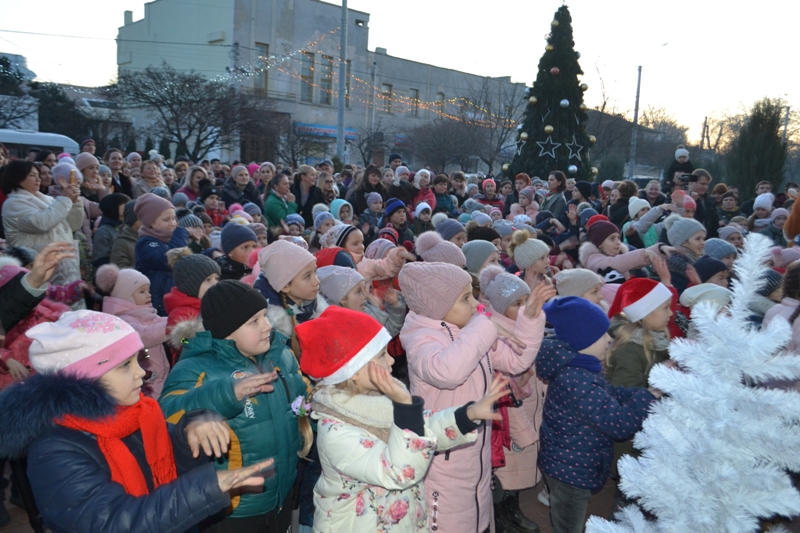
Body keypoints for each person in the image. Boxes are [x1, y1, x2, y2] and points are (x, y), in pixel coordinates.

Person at [0, 309, 273, 533]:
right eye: (124, 365)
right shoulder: (54, 451)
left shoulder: (138, 413)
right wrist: (205, 489)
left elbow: (172, 458)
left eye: (137, 360)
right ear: (83, 378)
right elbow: (112, 523)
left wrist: (192, 429)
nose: (142, 373)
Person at [296, 306, 506, 533]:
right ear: (354, 370)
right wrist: (405, 406)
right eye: (381, 355)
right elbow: (399, 471)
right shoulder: (336, 432)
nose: (392, 361)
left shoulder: (374, 401)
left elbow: (422, 427)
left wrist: (467, 415)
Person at [398, 261, 555, 532]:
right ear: (438, 306)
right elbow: (447, 371)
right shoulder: (421, 339)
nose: (475, 304)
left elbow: (516, 361)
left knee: (478, 516)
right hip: (442, 459)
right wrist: (486, 326)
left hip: (476, 454)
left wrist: (529, 318)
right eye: (465, 298)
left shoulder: (469, 329)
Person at [160, 279, 307, 533]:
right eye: (254, 321)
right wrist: (226, 393)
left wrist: (315, 409)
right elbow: (167, 414)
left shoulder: (280, 354)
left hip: (281, 494)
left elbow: (299, 399)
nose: (267, 325)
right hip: (233, 511)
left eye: (265, 316)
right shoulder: (197, 367)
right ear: (226, 331)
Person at [536, 297, 660, 533]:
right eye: (602, 335)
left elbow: (610, 393)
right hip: (569, 471)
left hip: (570, 463)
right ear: (582, 340)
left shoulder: (581, 368)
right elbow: (618, 424)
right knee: (568, 525)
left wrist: (643, 393)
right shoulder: (577, 379)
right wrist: (648, 398)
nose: (609, 339)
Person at [479, 266, 546, 532]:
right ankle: (502, 515)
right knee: (505, 470)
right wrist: (518, 386)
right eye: (515, 304)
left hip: (529, 410)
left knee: (520, 466)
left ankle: (512, 509)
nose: (522, 308)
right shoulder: (497, 336)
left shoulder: (527, 325)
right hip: (508, 418)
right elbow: (501, 379)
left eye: (524, 302)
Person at [1, 160, 84, 287]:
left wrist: (75, 201)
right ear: (17, 178)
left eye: (38, 175)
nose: (38, 179)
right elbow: (42, 224)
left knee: (69, 301)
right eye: (32, 175)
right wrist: (66, 198)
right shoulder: (13, 203)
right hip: (38, 267)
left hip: (64, 264)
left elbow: (73, 224)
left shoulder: (49, 200)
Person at [96, 264, 170, 398]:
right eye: (142, 292)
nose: (149, 295)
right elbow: (146, 336)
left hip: (158, 377)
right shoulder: (122, 320)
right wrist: (174, 324)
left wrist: (182, 322)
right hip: (143, 382)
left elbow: (162, 321)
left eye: (148, 290)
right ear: (126, 296)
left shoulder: (147, 314)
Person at [134, 193, 189, 316]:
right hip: (157, 306)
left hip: (173, 301)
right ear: (150, 222)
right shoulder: (146, 243)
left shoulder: (173, 239)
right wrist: (182, 233)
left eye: (174, 218)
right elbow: (170, 259)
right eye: (166, 219)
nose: (173, 223)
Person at [93, 193, 131, 271]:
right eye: (124, 204)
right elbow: (101, 259)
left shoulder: (128, 226)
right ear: (113, 206)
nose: (128, 207)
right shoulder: (103, 231)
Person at [110, 200, 140, 269]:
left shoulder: (152, 236)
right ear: (133, 218)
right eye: (142, 216)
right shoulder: (121, 243)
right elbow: (121, 271)